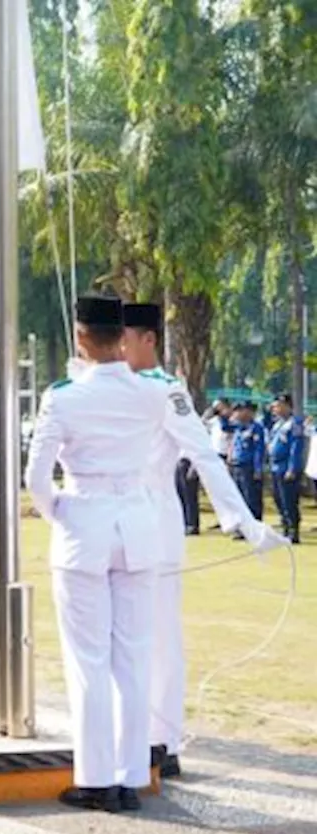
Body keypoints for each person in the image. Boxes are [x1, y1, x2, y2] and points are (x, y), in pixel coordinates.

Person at [25, 294, 280, 813]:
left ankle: (105, 774)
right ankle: (132, 772)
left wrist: (60, 513)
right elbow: (200, 453)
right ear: (123, 337)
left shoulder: (70, 394)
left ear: (81, 338)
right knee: (136, 655)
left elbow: (35, 479)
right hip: (138, 527)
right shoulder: (151, 394)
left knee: (96, 659)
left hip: (96, 523)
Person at [121, 303, 282, 780]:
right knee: (124, 637)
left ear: (148, 339)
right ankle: (132, 733)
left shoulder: (167, 391)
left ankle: (163, 740)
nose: (119, 347)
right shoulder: (109, 387)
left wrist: (243, 521)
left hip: (155, 522)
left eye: (125, 337)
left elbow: (205, 458)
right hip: (116, 524)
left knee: (161, 637)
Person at [267, 393, 304, 544]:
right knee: (278, 499)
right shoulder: (278, 424)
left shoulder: (294, 424)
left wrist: (292, 468)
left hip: (285, 467)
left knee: (289, 500)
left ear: (288, 406)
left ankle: (293, 530)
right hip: (275, 466)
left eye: (278, 406)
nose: (275, 409)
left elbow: (296, 448)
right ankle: (285, 527)